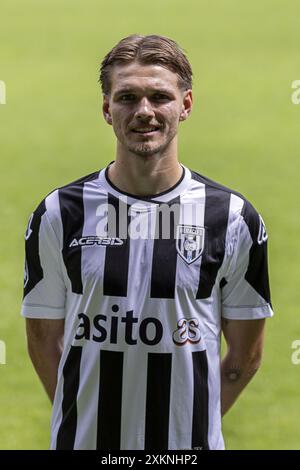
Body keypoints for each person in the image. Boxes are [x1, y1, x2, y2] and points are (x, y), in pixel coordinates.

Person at [21, 34, 274, 450]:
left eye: (159, 96)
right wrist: (86, 417)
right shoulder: (58, 213)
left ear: (186, 105)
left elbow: (244, 360)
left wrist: (189, 425)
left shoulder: (231, 218)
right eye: (127, 98)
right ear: (106, 109)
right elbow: (43, 342)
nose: (144, 112)